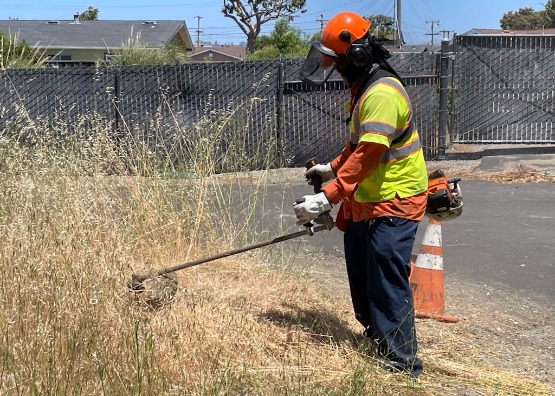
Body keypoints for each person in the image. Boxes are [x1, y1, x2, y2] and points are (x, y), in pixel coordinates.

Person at [293, 11, 428, 378]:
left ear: (356, 57)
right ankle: (377, 339)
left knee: (384, 274)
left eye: (337, 62)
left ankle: (403, 363)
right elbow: (356, 146)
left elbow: (370, 153)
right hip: (366, 200)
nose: (335, 69)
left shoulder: (382, 93)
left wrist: (329, 195)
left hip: (396, 199)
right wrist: (332, 169)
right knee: (361, 270)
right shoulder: (364, 88)